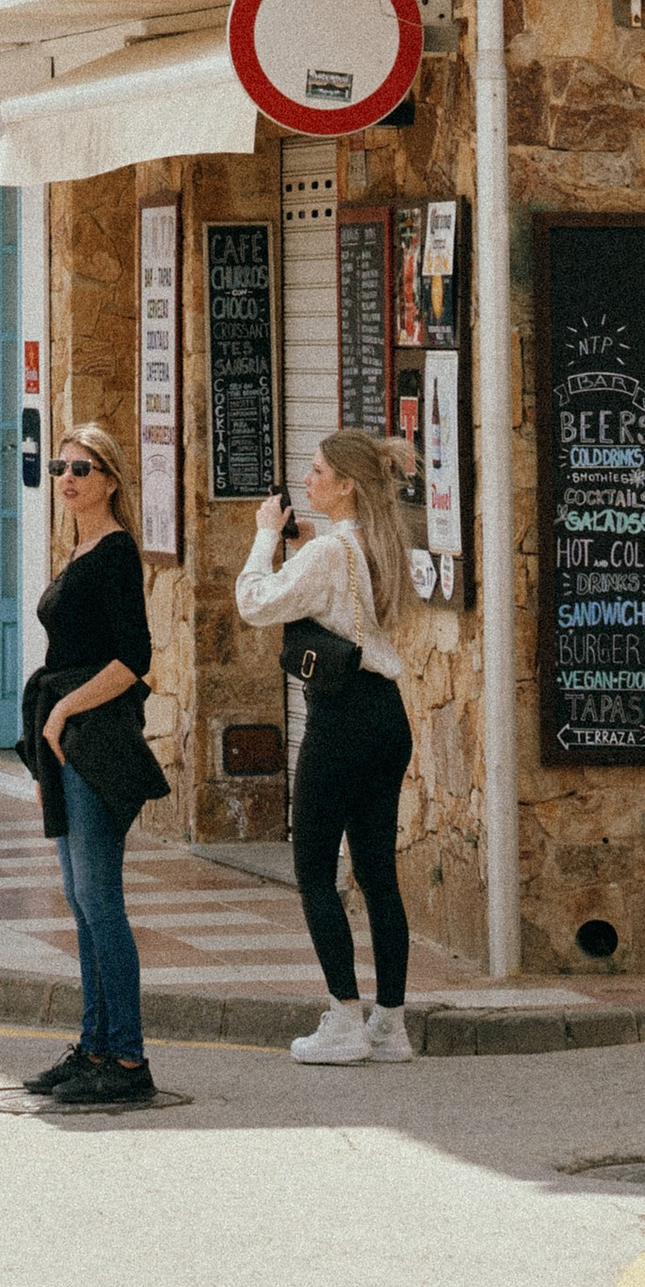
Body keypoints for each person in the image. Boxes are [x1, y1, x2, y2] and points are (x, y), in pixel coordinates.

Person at [236, 430, 421, 1066]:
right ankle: (390, 1025)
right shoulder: (378, 541)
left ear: (344, 483)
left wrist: (265, 534)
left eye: (316, 472)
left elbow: (254, 602)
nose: (306, 481)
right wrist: (303, 551)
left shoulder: (327, 555)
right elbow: (348, 601)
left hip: (339, 720)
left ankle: (343, 1018)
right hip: (387, 718)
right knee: (377, 874)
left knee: (314, 871)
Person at [16, 420, 168, 1108]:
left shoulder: (113, 554)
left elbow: (134, 660)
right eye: (61, 468)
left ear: (110, 479)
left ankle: (128, 1060)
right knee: (80, 900)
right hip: (69, 735)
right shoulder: (77, 549)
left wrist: (63, 709)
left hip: (95, 737)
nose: (68, 479)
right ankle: (95, 1045)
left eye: (82, 468)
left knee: (101, 899)